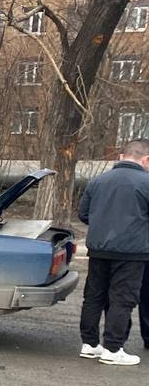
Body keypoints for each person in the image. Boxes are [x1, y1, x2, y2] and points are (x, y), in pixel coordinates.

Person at [77, 138, 149, 366]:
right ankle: (113, 348)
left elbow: (83, 214)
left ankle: (89, 344)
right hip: (131, 252)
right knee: (122, 299)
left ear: (122, 156)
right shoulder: (146, 182)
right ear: (146, 159)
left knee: (94, 296)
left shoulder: (98, 180)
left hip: (98, 249)